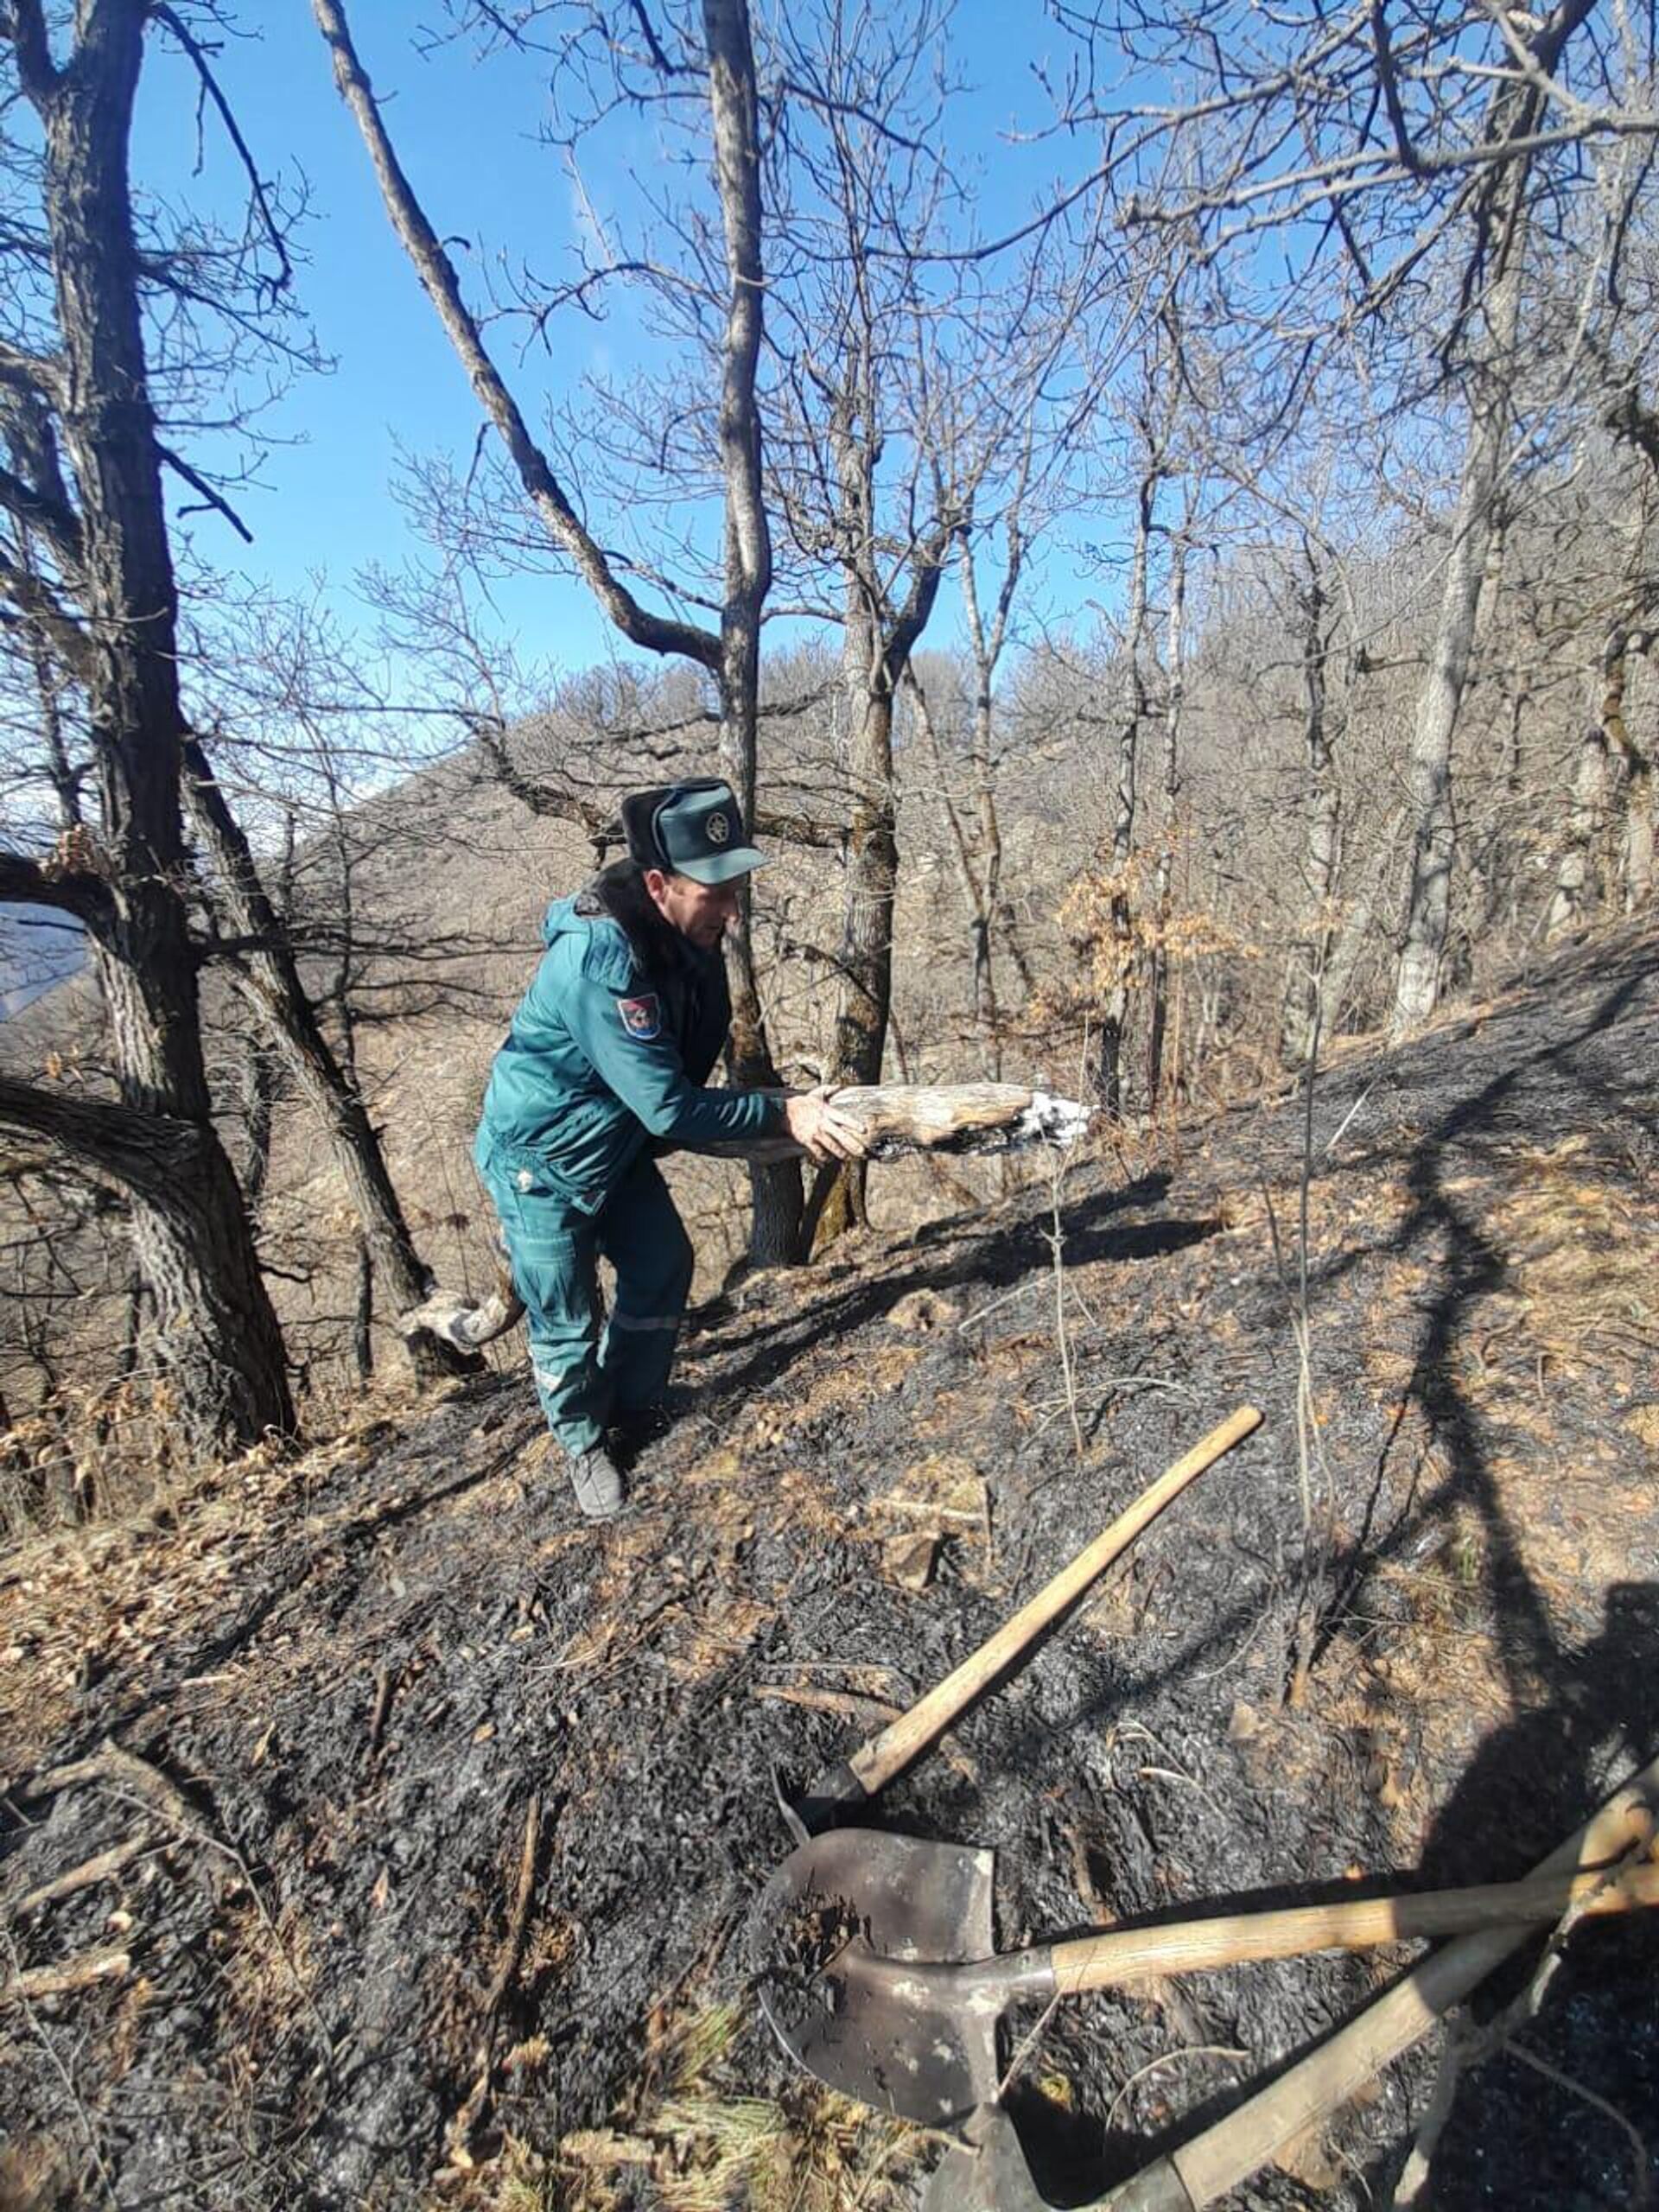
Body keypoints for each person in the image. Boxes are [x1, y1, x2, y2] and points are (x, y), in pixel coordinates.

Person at [474, 777, 865, 1519]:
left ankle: (634, 1400)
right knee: (565, 1311)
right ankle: (584, 1444)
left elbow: (670, 1080)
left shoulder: (688, 936)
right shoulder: (601, 963)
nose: (732, 906)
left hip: (610, 1143)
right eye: (713, 889)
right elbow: (668, 1104)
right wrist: (786, 1116)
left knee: (663, 1264)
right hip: (542, 1164)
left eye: (737, 884)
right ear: (658, 884)